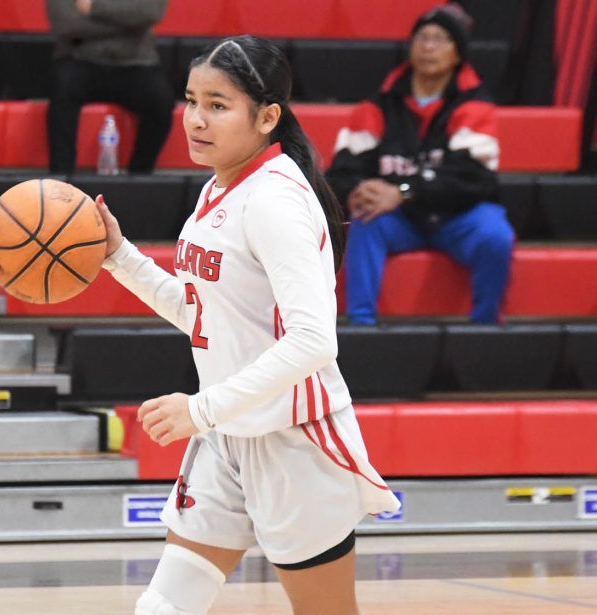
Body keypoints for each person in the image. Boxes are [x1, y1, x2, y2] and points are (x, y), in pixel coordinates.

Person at [94, 35, 400, 615]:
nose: (195, 120)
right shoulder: (218, 188)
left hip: (293, 441)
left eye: (217, 104)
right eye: (191, 100)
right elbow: (199, 310)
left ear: (267, 117)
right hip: (226, 433)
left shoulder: (275, 200)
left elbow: (313, 341)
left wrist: (199, 409)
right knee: (163, 607)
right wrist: (118, 255)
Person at [326, 3, 515, 325]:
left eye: (440, 39)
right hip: (400, 218)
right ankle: (361, 326)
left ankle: (485, 328)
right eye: (421, 38)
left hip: (459, 216)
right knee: (366, 216)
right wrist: (361, 189)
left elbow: (474, 180)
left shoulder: (475, 105)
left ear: (458, 54)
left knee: (495, 235)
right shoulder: (377, 106)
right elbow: (340, 172)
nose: (428, 46)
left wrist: (403, 191)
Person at [45, 0, 174, 175]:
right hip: (79, 58)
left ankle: (140, 175)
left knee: (161, 99)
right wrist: (130, 25)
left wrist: (94, 7)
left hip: (137, 63)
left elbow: (151, 12)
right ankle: (61, 178)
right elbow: (65, 24)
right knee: (63, 88)